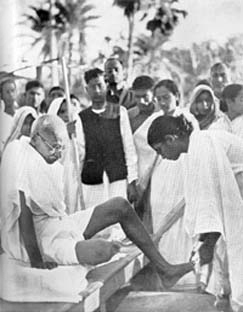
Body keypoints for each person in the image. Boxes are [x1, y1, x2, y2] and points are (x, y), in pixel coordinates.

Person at [0, 114, 193, 289]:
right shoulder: (18, 153)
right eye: (54, 147)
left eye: (61, 148)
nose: (58, 154)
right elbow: (23, 213)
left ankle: (165, 269)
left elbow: (56, 212)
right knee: (103, 250)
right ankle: (96, 249)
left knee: (120, 206)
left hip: (58, 225)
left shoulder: (45, 158)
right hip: (36, 240)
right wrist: (37, 261)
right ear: (35, 139)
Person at [147, 114, 243, 311]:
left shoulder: (203, 144)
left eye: (160, 150)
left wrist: (207, 244)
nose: (162, 156)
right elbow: (208, 202)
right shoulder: (195, 148)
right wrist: (204, 242)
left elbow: (217, 202)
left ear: (171, 139)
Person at [78, 68, 139, 211]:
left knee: (118, 223)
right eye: (93, 87)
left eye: (100, 85)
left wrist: (132, 181)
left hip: (117, 178)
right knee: (95, 220)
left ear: (106, 85)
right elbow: (79, 152)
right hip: (92, 181)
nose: (97, 90)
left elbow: (128, 148)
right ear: (87, 89)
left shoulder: (120, 112)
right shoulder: (81, 117)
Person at [48, 97, 84, 213]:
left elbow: (82, 154)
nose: (66, 115)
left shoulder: (78, 130)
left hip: (74, 178)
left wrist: (73, 138)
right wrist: (65, 135)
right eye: (62, 112)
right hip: (57, 180)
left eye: (68, 111)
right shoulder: (48, 132)